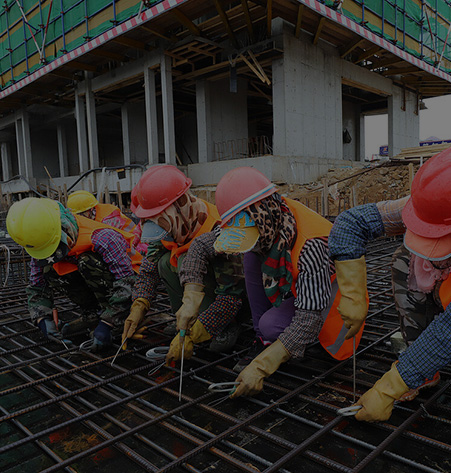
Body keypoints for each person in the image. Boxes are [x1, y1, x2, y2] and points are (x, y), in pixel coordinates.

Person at [212, 167, 363, 399]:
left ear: (262, 214)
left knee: (271, 325)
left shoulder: (311, 246)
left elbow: (308, 320)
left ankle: (281, 340)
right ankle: (263, 341)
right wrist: (192, 295)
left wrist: (263, 365)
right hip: (302, 287)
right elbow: (208, 241)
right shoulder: (276, 214)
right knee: (251, 255)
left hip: (334, 305)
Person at [328, 148, 451, 421]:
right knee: (406, 260)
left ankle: (420, 364)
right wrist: (352, 295)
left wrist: (391, 387)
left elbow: (449, 330)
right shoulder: (436, 204)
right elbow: (351, 223)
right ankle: (424, 368)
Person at [120, 165, 245, 359]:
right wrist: (139, 304)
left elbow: (231, 296)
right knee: (164, 263)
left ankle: (224, 326)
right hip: (194, 297)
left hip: (232, 299)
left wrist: (195, 334)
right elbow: (149, 268)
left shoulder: (220, 230)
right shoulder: (170, 225)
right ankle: (183, 320)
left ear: (178, 208)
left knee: (185, 260)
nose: (163, 234)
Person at [6, 197, 142, 352]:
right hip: (100, 284)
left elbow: (128, 283)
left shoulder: (102, 237)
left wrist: (108, 323)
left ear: (62, 229)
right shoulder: (40, 240)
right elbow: (37, 284)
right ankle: (93, 314)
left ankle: (118, 319)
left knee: (87, 261)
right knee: (49, 268)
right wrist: (41, 317)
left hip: (132, 284)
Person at [67, 190, 144, 252]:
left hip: (134, 247)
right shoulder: (94, 213)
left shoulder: (108, 220)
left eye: (81, 214)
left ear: (90, 209)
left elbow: (111, 244)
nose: (79, 218)